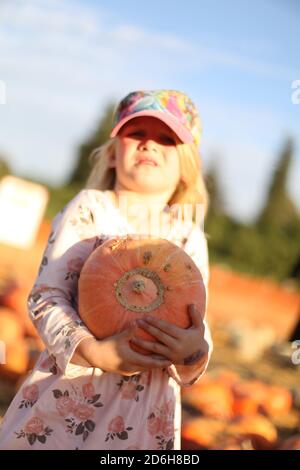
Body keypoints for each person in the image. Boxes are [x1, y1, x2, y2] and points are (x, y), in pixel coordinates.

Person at [0, 89, 213, 450]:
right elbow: (46, 297)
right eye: (136, 133)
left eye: (166, 138)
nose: (149, 144)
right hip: (71, 401)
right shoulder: (90, 209)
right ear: (113, 154)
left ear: (186, 167)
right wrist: (94, 351)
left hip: (146, 417)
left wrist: (194, 352)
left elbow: (199, 320)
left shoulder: (188, 235)